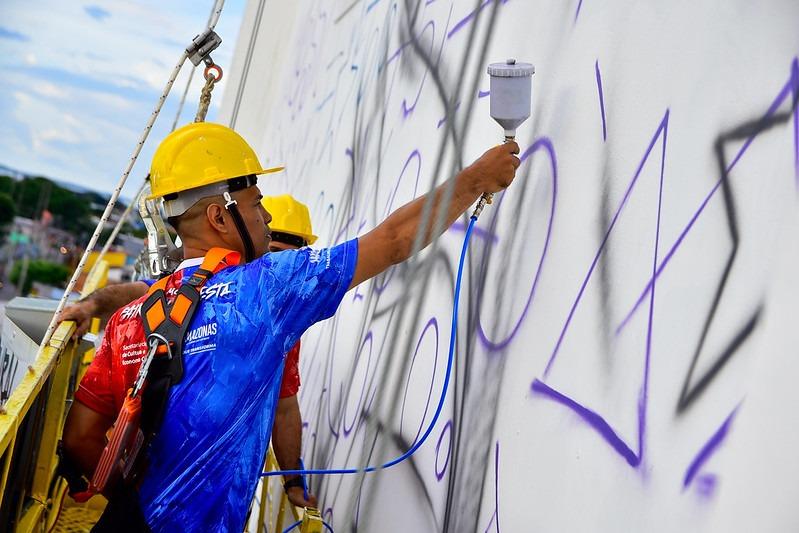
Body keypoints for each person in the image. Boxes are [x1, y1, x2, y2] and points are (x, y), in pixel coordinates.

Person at [62, 122, 519, 532]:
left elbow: (81, 438)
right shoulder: (269, 289)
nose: (265, 217)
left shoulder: (127, 321)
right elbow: (394, 240)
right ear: (220, 217)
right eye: (256, 203)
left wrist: (137, 501)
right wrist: (477, 179)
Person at [59, 194, 323, 509]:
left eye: (291, 258)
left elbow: (284, 406)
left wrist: (293, 481)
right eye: (274, 253)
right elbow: (145, 291)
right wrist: (90, 306)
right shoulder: (203, 290)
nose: (281, 267)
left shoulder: (277, 322)